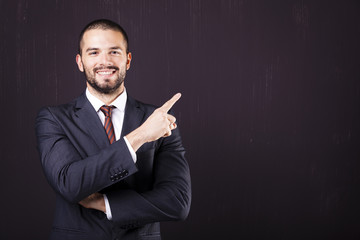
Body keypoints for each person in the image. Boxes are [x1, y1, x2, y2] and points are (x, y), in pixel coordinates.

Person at [35, 19, 191, 240]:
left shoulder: (159, 119)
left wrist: (106, 204)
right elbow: (70, 183)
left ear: (128, 60)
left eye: (114, 52)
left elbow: (177, 202)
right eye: (94, 53)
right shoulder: (53, 118)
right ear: (80, 62)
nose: (105, 61)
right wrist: (141, 135)